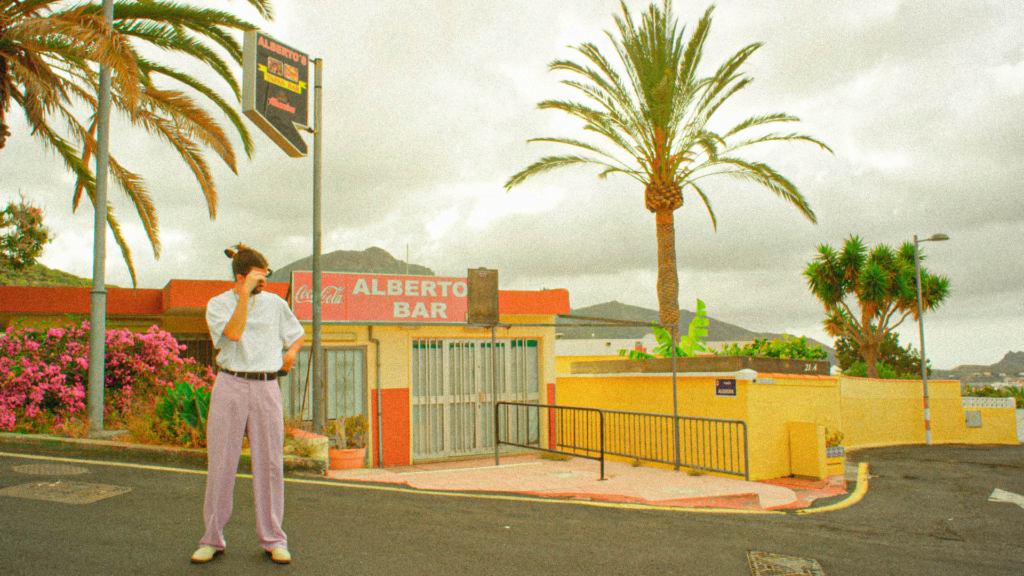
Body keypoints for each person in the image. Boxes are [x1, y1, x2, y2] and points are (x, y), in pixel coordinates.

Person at [191, 244, 305, 565]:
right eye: (256, 280)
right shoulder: (218, 305)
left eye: (265, 280)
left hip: (267, 387)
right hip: (230, 384)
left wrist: (291, 353)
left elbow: (296, 334)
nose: (262, 286)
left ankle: (274, 539)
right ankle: (212, 538)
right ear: (240, 277)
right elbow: (235, 333)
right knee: (221, 463)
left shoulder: (275, 304)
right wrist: (244, 297)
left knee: (270, 464)